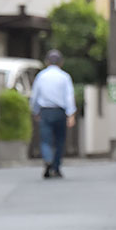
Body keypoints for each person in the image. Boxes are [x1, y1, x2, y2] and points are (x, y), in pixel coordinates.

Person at [29, 49, 77, 178]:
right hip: (60, 111)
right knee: (60, 140)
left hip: (45, 110)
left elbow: (35, 96)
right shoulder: (65, 77)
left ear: (46, 62)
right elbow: (69, 96)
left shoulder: (41, 76)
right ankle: (56, 167)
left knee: (45, 139)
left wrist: (35, 111)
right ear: (61, 62)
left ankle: (48, 160)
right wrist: (71, 114)